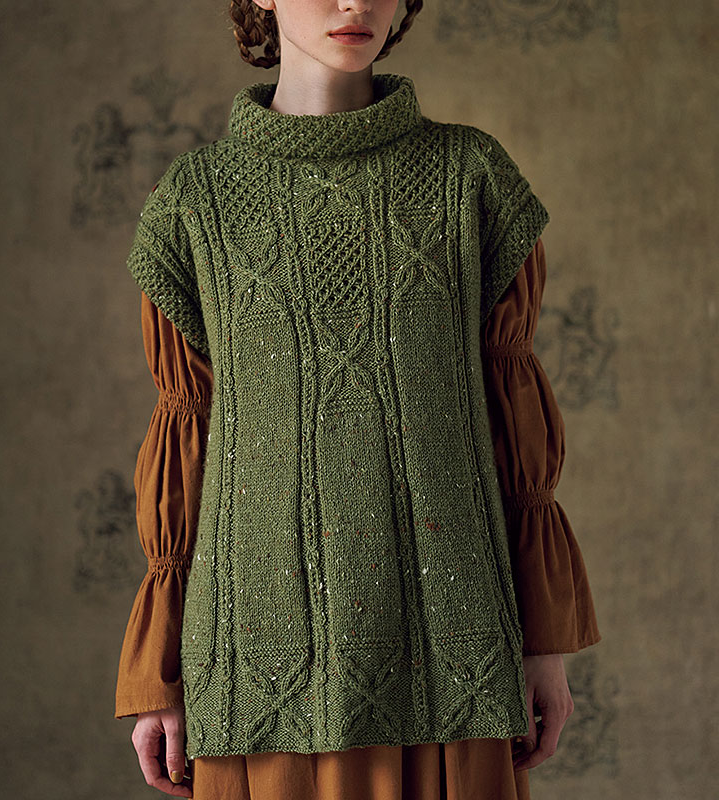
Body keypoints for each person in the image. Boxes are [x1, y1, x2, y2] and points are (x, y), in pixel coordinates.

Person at [114, 0, 602, 797]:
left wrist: (542, 643)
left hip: (456, 654)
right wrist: (156, 672)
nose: (356, 0)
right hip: (256, 663)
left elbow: (516, 433)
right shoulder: (194, 201)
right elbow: (184, 435)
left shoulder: (471, 177)